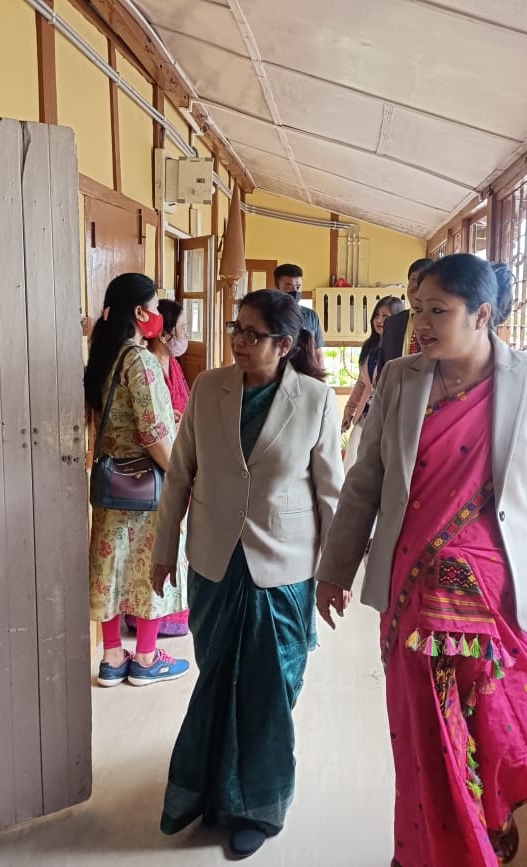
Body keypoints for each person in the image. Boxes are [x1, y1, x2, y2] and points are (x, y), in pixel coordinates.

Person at [314, 254, 527, 866]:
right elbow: (365, 482)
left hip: (503, 599)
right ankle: (427, 851)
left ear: (482, 315)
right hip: (415, 594)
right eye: (417, 307)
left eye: (436, 311)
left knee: (504, 733)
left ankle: (489, 822)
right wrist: (336, 569)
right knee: (427, 739)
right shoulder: (399, 378)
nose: (419, 322)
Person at [151, 289, 344, 859]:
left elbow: (330, 491)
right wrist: (164, 549)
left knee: (267, 690)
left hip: (283, 568)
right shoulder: (210, 388)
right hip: (213, 560)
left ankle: (255, 805)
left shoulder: (313, 399)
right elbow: (181, 473)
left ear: (285, 345)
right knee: (216, 680)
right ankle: (208, 792)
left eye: (254, 334)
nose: (239, 340)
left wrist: (335, 571)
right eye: (237, 328)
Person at [84, 274, 189, 687]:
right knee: (152, 566)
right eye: (156, 305)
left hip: (110, 482)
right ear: (140, 312)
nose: (161, 314)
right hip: (146, 483)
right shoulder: (140, 361)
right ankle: (146, 658)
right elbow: (153, 434)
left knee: (110, 565)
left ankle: (112, 658)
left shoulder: (103, 358)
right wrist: (182, 478)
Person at [127, 298, 191, 639]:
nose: (185, 337)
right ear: (164, 334)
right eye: (181, 330)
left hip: (176, 455)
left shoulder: (173, 366)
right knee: (151, 550)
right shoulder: (145, 365)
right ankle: (147, 632)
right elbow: (150, 427)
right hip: (154, 469)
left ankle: (172, 617)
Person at [341, 296, 404, 472]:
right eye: (377, 315)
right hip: (364, 414)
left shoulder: (400, 349)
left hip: (387, 416)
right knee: (352, 462)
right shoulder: (370, 346)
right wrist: (349, 410)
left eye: (385, 316)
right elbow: (362, 383)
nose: (379, 320)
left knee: (377, 467)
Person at [377, 258, 432, 377]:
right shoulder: (392, 323)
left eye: (422, 279)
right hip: (394, 392)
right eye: (412, 279)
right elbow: (383, 369)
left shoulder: (439, 322)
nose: (416, 285)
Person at [274, 263, 325, 369]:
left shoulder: (311, 316)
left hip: (306, 377)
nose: (295, 291)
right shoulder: (269, 315)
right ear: (277, 288)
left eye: (298, 287)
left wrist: (321, 381)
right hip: (278, 377)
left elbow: (318, 353)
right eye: (289, 287)